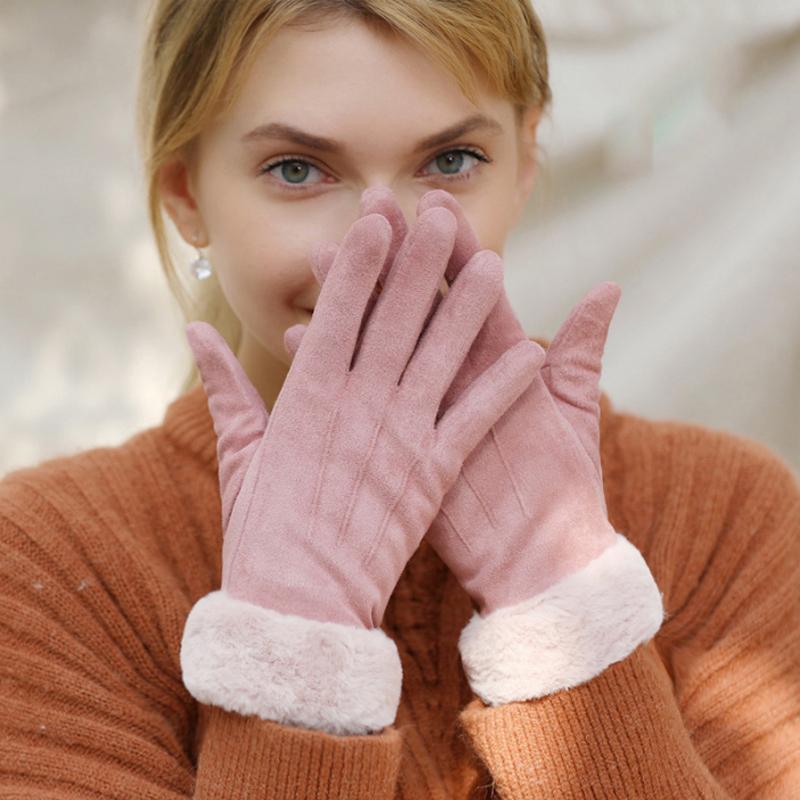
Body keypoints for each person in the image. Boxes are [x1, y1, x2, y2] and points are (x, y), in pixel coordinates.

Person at [0, 1, 798, 798]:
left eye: (450, 161)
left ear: (525, 162)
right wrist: (294, 662)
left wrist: (568, 613)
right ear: (186, 195)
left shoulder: (729, 517)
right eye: (297, 169)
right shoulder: (46, 564)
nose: (382, 246)